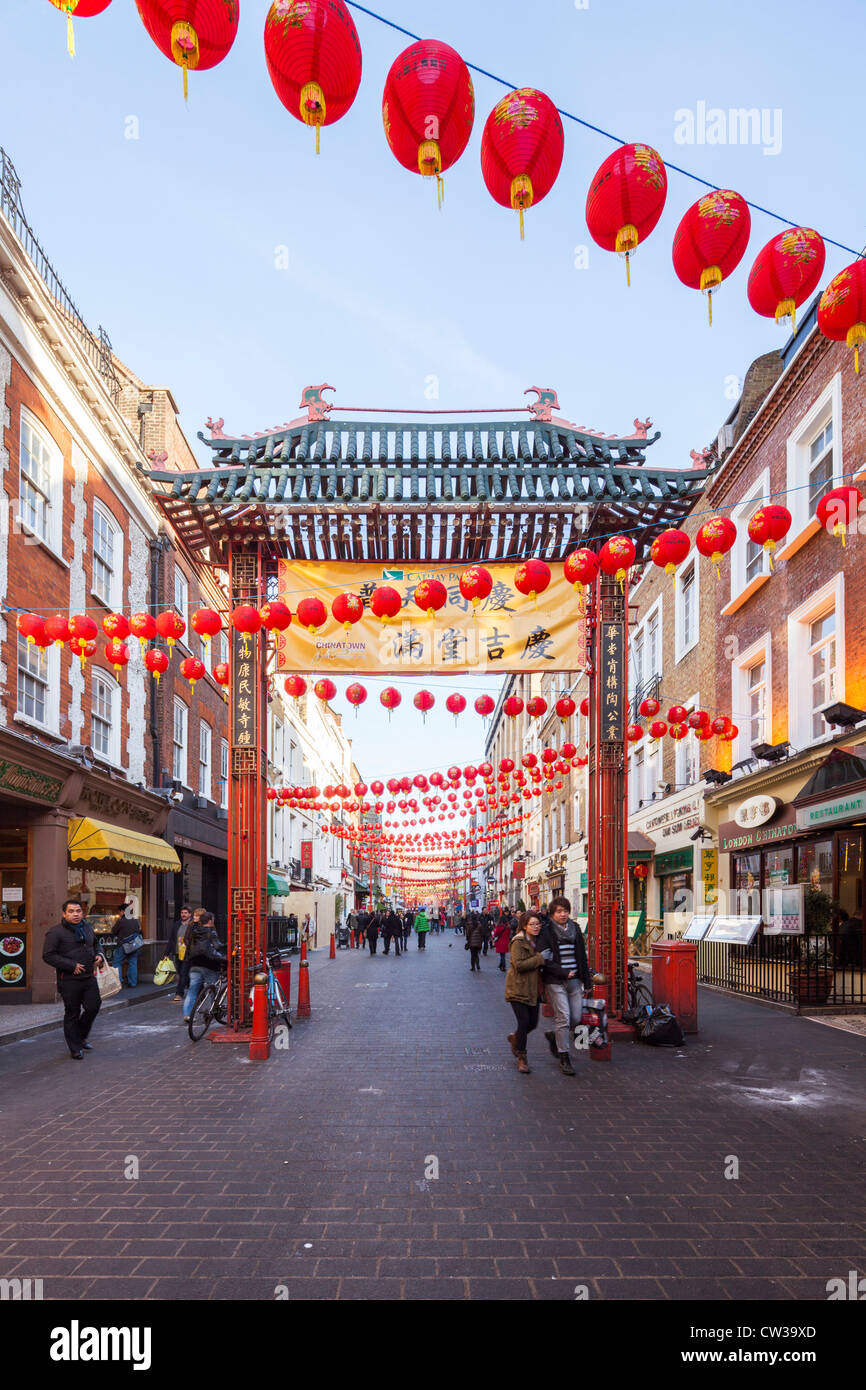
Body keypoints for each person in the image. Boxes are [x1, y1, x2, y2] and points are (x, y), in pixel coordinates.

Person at [536, 896, 593, 1077]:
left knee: (576, 1018)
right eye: (559, 911)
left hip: (575, 980)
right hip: (555, 981)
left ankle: (555, 1036)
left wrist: (587, 981)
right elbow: (544, 959)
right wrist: (562, 972)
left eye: (565, 911)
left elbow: (582, 957)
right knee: (564, 1017)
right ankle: (564, 1057)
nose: (563, 914)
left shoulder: (575, 929)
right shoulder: (547, 932)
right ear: (553, 914)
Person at [42, 899, 107, 1059]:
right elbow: (48, 955)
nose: (75, 914)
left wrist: (99, 955)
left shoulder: (87, 927)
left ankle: (80, 1037)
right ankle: (75, 1047)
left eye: (78, 911)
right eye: (71, 911)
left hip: (88, 977)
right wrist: (71, 965)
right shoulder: (55, 932)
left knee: (93, 1007)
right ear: (64, 914)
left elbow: (96, 944)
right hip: (69, 979)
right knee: (72, 1013)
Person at [505, 910, 545, 1074]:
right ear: (524, 926)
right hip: (518, 988)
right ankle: (522, 1057)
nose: (536, 927)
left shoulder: (539, 940)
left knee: (532, 1023)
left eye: (537, 924)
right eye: (532, 924)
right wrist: (540, 959)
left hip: (533, 989)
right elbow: (519, 964)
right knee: (523, 1022)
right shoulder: (518, 941)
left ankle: (516, 1038)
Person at [182, 911, 226, 1022]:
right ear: (210, 920)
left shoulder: (194, 931)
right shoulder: (211, 932)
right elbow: (217, 946)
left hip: (194, 964)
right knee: (213, 989)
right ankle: (213, 1011)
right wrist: (227, 947)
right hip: (209, 965)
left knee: (192, 991)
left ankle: (187, 1015)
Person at [112, 904, 143, 989]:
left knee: (117, 963)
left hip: (122, 945)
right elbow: (139, 931)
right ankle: (132, 983)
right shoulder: (136, 920)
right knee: (133, 963)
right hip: (134, 945)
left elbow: (114, 931)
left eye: (120, 912)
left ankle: (119, 983)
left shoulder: (121, 921)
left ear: (123, 911)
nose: (119, 913)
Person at [166, 904, 192, 1002]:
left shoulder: (193, 925)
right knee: (181, 973)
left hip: (188, 953)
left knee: (184, 973)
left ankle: (179, 994)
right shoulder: (177, 924)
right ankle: (193, 990)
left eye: (185, 913)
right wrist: (166, 953)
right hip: (177, 952)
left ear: (190, 914)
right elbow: (171, 939)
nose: (183, 915)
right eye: (182, 913)